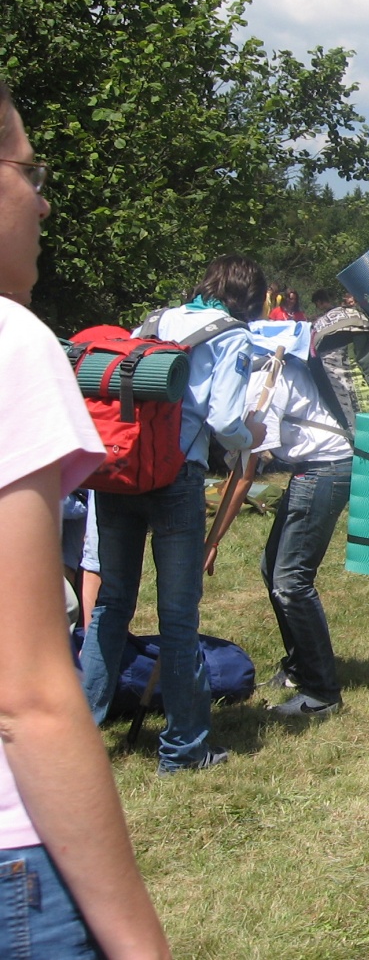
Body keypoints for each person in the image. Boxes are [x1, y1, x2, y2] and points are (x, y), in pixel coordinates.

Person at [2, 81, 174, 958]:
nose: (44, 196)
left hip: (120, 497)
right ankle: (181, 736)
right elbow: (25, 693)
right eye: (31, 169)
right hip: (12, 859)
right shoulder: (13, 342)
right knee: (153, 617)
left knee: (110, 608)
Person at [80, 254, 265, 774]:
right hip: (176, 475)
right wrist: (253, 434)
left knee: (111, 604)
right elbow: (226, 420)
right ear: (249, 298)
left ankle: (80, 734)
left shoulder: (154, 321)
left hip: (120, 470)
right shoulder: (231, 337)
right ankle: (184, 747)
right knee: (178, 617)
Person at [250, 350, 353, 716]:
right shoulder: (267, 363)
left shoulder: (265, 375)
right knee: (272, 568)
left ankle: (322, 693)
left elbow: (250, 462)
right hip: (316, 467)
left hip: (324, 468)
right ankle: (298, 669)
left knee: (291, 582)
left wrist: (212, 542)